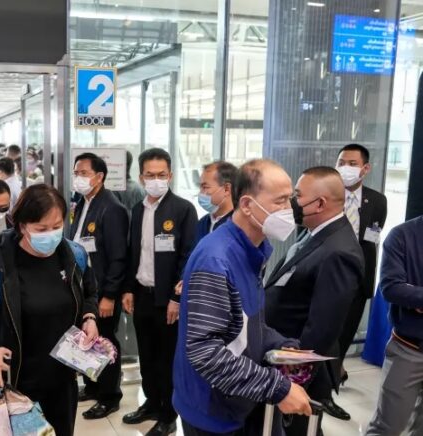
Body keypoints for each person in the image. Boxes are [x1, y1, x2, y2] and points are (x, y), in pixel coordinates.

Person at [174, 159, 313, 435]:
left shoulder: (254, 249)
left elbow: (247, 322)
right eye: (281, 201)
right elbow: (205, 352)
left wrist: (283, 345)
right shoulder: (216, 260)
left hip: (236, 397)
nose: (289, 211)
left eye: (291, 201)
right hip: (210, 407)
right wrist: (279, 389)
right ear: (247, 205)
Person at [0, 184, 99, 436]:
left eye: (57, 226)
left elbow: (89, 292)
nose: (52, 235)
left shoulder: (73, 256)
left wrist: (89, 316)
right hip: (18, 387)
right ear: (22, 225)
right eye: (41, 229)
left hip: (63, 382)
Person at [264, 167, 364, 436]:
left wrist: (293, 373)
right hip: (282, 354)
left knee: (299, 430)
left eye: (296, 196)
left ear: (319, 203)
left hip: (300, 369)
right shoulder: (313, 232)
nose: (291, 203)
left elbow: (322, 327)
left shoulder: (339, 251)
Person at [121, 148, 197, 436]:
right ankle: (151, 403)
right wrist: (128, 288)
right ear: (141, 177)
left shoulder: (182, 209)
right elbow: (134, 253)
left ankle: (168, 414)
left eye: (161, 175)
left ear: (170, 176)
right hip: (141, 294)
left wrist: (177, 298)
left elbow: (187, 257)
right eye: (150, 175)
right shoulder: (139, 209)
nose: (155, 180)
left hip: (168, 300)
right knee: (147, 355)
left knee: (167, 358)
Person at [69, 152, 129, 420]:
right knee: (88, 339)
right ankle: (93, 386)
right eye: (76, 173)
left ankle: (110, 396)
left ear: (100, 176)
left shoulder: (111, 208)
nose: (78, 178)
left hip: (103, 291)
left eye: (83, 173)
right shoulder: (83, 203)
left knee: (104, 341)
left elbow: (118, 257)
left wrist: (109, 296)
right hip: (84, 286)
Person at [334, 143, 388, 416]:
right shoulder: (327, 194)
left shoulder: (377, 201)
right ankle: (326, 385)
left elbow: (372, 239)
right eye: (341, 160)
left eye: (352, 163)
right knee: (323, 333)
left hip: (358, 279)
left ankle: (335, 374)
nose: (345, 166)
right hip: (327, 277)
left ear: (365, 169)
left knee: (345, 334)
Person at [365, 216, 423, 435]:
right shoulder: (402, 236)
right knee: (387, 426)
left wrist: (415, 296)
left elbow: (408, 292)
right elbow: (392, 288)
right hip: (409, 349)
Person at [196, 161, 237, 243]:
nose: (200, 193)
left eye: (205, 187)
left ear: (226, 189)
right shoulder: (203, 223)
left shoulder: (240, 226)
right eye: (200, 187)